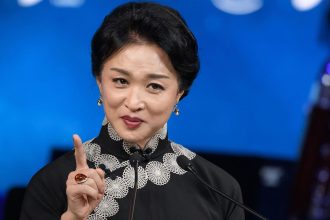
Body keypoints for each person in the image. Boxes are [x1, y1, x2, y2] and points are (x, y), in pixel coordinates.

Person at [20, 2, 244, 220]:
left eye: (154, 86)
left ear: (180, 93)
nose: (134, 102)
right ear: (99, 81)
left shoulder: (220, 189)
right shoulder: (51, 183)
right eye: (120, 81)